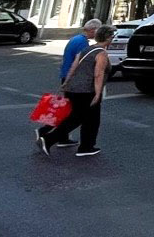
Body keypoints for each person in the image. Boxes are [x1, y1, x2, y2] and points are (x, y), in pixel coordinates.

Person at [39, 25, 115, 159]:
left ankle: (86, 146)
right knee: (80, 118)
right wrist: (97, 94)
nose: (113, 39)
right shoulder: (101, 53)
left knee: (88, 119)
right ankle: (49, 139)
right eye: (112, 36)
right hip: (86, 90)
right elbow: (98, 74)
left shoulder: (86, 49)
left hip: (73, 88)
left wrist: (66, 82)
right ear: (108, 38)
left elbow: (74, 66)